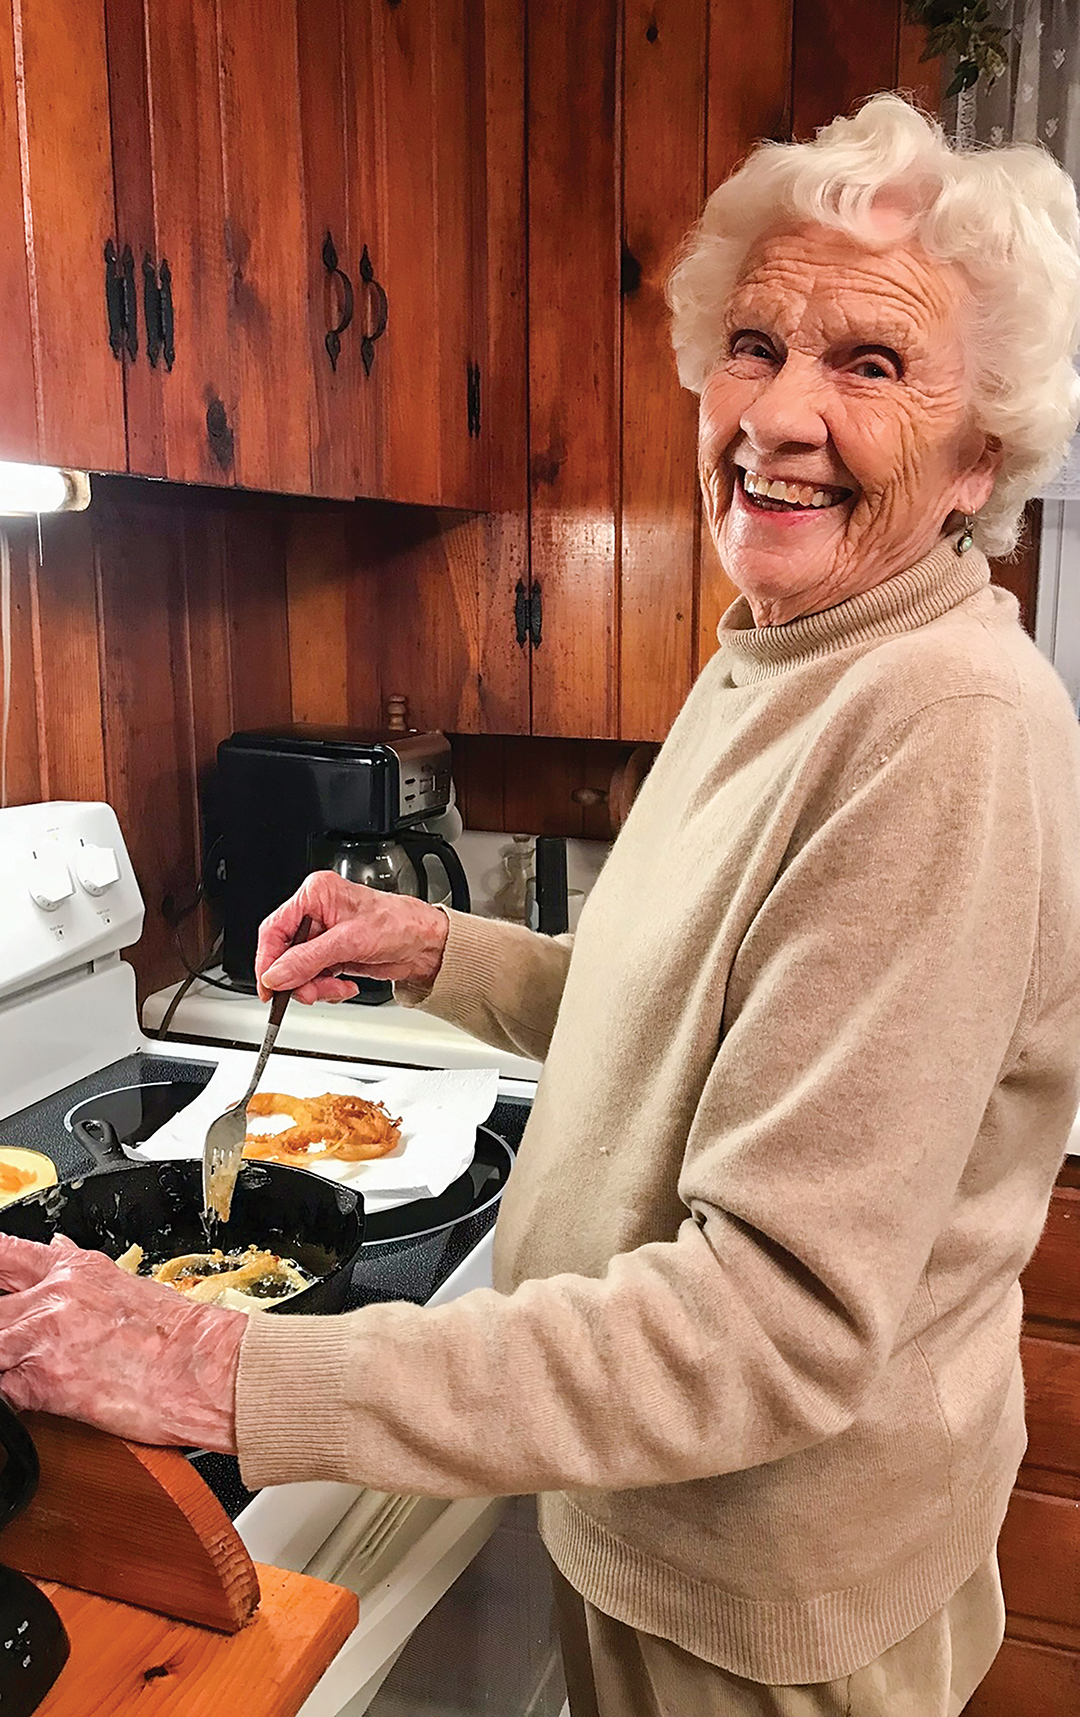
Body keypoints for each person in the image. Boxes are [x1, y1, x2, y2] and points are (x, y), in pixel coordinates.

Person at [2, 93, 1080, 1716]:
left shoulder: (942, 728)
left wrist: (216, 1361)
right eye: (755, 343)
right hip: (654, 1522)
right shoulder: (786, 656)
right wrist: (448, 952)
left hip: (760, 1599)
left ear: (979, 449)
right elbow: (692, 1021)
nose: (779, 418)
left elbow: (768, 1325)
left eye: (872, 364)